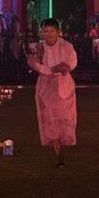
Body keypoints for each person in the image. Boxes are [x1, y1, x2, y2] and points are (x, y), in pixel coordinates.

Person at [27, 18, 77, 167]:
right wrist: (50, 70)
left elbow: (72, 62)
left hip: (64, 87)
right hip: (46, 87)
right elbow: (34, 64)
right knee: (50, 119)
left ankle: (63, 150)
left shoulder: (67, 46)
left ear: (58, 32)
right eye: (46, 31)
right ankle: (58, 154)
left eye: (52, 31)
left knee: (66, 119)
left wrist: (64, 68)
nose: (48, 34)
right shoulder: (38, 47)